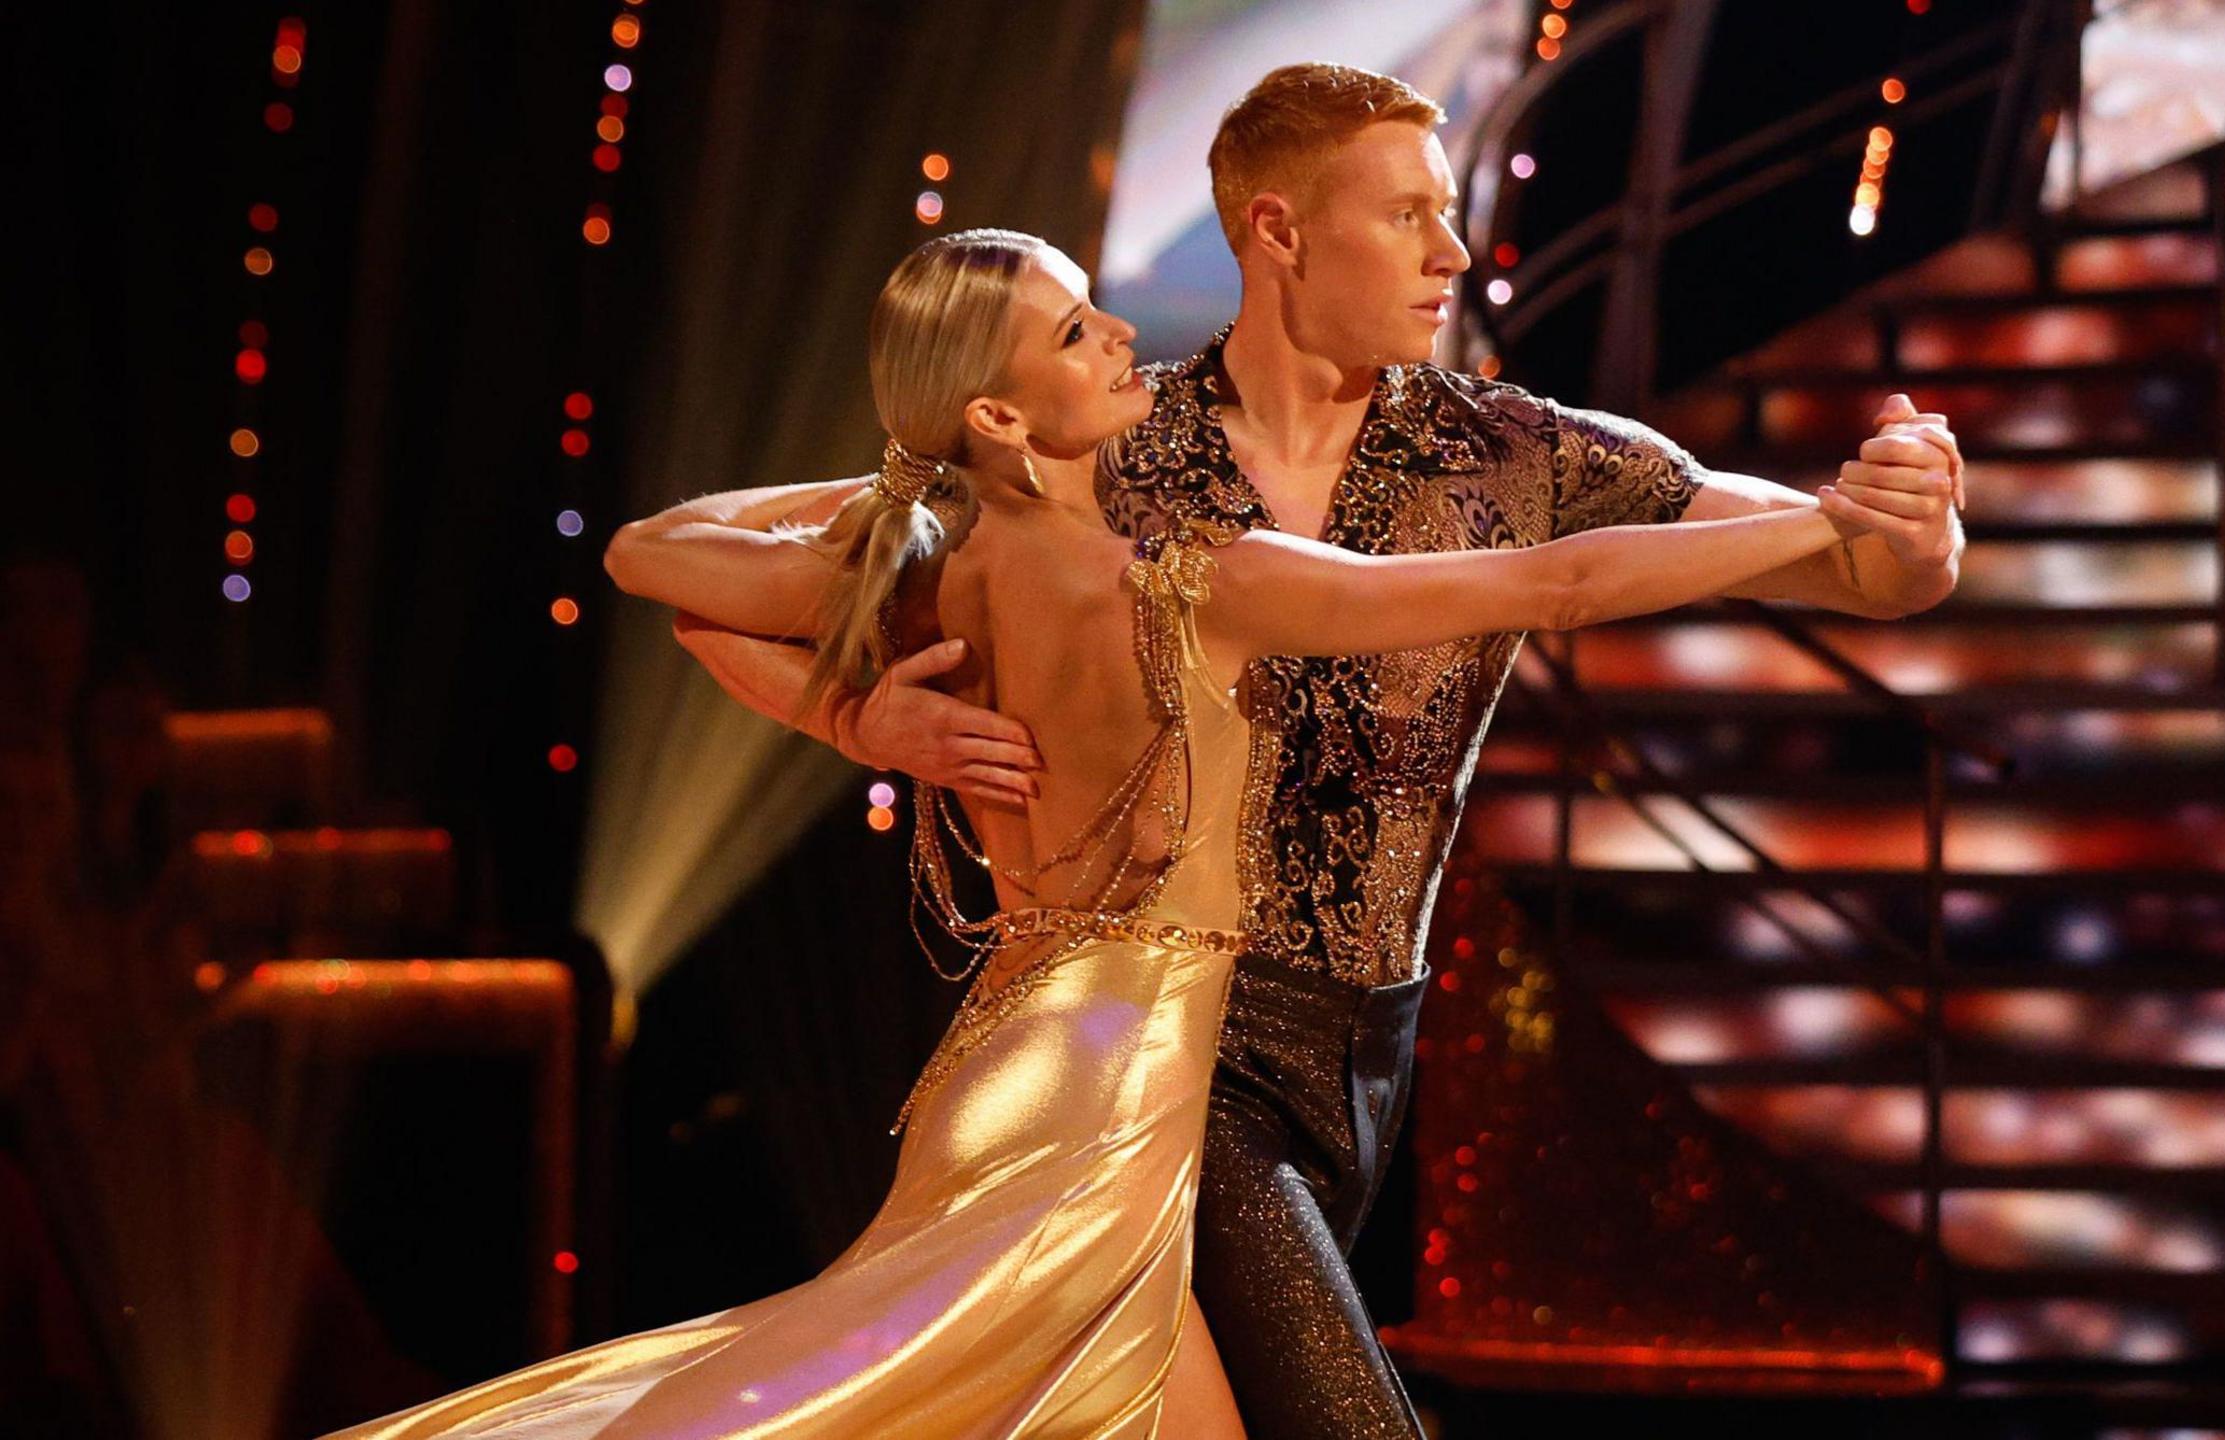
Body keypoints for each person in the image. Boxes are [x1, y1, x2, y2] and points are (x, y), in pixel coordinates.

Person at [330, 223, 1876, 1437]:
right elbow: (1553, 582)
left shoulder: (930, 579)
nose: (1124, 329)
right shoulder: (1195, 582)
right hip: (1121, 1083)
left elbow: (653, 559)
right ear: (1008, 406)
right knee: (843, 1389)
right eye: (1078, 328)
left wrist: (878, 638)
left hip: (1010, 1055)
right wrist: (1825, 524)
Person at [622, 64, 1965, 1440]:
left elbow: (1868, 576)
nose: (1453, 253)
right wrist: (858, 719)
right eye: (1407, 217)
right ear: (1278, 233)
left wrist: (1907, 527)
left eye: (1446, 215)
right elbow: (740, 568)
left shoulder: (1513, 451)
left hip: (1366, 1044)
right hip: (1161, 1039)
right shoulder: (1103, 436)